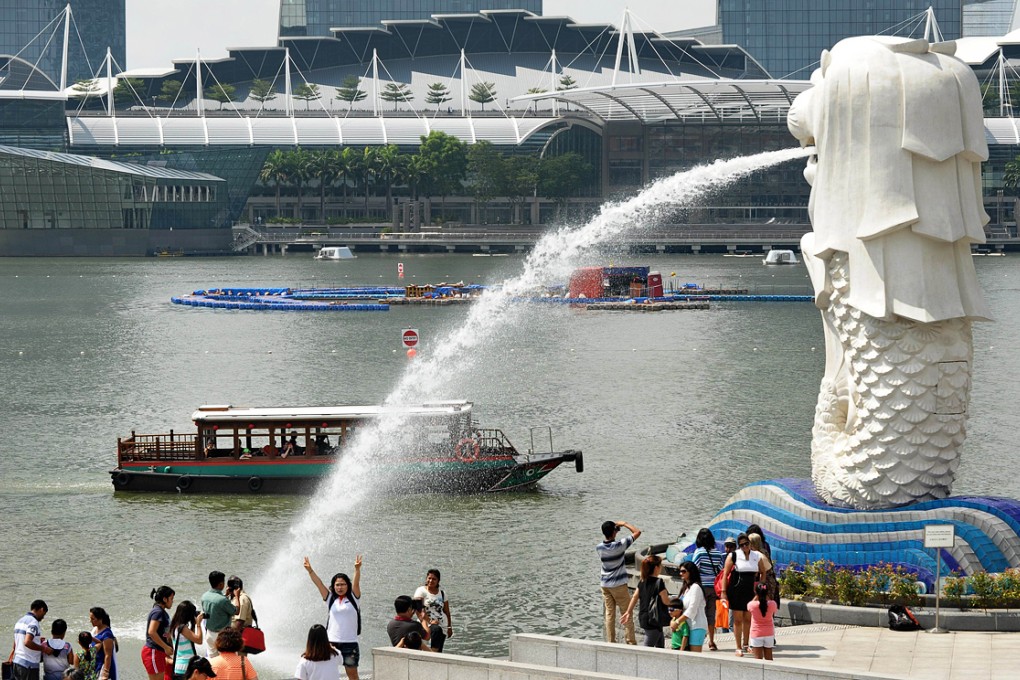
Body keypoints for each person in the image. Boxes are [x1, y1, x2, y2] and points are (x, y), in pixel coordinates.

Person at [303, 555, 362, 680]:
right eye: (337, 585)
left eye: (343, 584)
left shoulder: (354, 598)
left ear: (348, 586)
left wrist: (357, 569)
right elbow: (319, 584)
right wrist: (310, 570)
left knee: (352, 675)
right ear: (333, 586)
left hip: (350, 643)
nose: (340, 587)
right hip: (330, 643)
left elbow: (356, 583)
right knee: (326, 673)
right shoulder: (330, 598)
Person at [721, 533, 768, 657]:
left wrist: (760, 587)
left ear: (750, 543)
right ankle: (738, 647)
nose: (745, 546)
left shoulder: (756, 556)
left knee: (748, 619)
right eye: (742, 545)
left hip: (751, 590)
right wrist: (723, 592)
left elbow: (763, 572)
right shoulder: (734, 555)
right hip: (736, 590)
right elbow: (725, 574)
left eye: (746, 544)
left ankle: (746, 644)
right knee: (737, 620)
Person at [596, 520, 641, 645]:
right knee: (626, 612)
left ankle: (611, 641)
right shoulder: (619, 545)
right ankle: (630, 641)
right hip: (618, 585)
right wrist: (624, 524)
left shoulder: (599, 547)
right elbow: (637, 532)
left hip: (605, 585)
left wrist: (615, 528)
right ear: (614, 532)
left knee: (609, 614)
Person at [620, 555, 670, 648]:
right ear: (656, 568)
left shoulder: (642, 581)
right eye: (660, 566)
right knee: (647, 648)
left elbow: (635, 597)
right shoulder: (659, 582)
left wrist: (628, 612)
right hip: (654, 618)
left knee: (660, 643)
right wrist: (677, 601)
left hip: (644, 617)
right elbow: (666, 601)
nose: (661, 568)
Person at [690, 528, 724, 651]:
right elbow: (721, 571)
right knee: (711, 614)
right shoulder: (718, 553)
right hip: (713, 588)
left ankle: (696, 639)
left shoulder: (699, 552)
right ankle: (711, 641)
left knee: (698, 613)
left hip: (701, 588)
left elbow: (694, 569)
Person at [412, 569, 452, 652]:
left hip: (442, 624)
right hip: (425, 624)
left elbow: (447, 612)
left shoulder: (442, 593)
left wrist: (449, 627)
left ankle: (435, 659)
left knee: (439, 649)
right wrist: (430, 621)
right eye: (429, 578)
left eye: (434, 579)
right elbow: (418, 610)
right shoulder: (421, 591)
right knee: (420, 648)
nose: (431, 581)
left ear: (438, 581)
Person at [673, 561, 708, 652]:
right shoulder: (686, 588)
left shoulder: (696, 587)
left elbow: (692, 609)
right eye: (680, 571)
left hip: (697, 625)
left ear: (691, 572)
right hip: (687, 626)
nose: (681, 573)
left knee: (694, 656)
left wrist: (677, 622)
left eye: (684, 571)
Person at [201, 572, 237, 658]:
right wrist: (237, 597)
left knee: (213, 662)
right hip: (222, 636)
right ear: (221, 584)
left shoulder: (204, 596)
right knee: (226, 661)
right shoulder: (223, 600)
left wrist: (225, 595)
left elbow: (216, 604)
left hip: (209, 634)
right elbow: (235, 611)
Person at [143, 586, 175, 680]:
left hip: (159, 652)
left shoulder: (162, 612)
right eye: (171, 599)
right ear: (165, 599)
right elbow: (151, 632)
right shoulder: (158, 612)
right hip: (153, 651)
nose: (172, 601)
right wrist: (166, 647)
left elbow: (164, 632)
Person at [168, 601, 205, 680]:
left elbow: (191, 638)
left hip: (178, 666)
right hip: (185, 667)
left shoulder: (174, 626)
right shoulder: (182, 628)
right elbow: (199, 640)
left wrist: (194, 624)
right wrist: (198, 624)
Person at [748, 531, 780, 609]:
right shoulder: (763, 551)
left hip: (766, 581)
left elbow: (760, 572)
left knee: (765, 604)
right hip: (767, 580)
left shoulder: (759, 554)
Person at [748, 582, 778, 660]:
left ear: (756, 592)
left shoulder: (752, 605)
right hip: (769, 633)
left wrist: (757, 596)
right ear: (767, 592)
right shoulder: (773, 604)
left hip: (756, 633)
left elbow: (749, 606)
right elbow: (773, 608)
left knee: (758, 660)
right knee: (769, 659)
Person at [89, 607, 117, 680]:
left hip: (102, 667)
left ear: (100, 619)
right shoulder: (94, 630)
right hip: (95, 665)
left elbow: (108, 655)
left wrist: (105, 673)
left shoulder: (106, 634)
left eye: (93, 619)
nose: (90, 621)